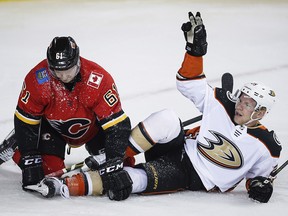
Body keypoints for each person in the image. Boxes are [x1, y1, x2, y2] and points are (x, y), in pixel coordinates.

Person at [29, 12, 282, 203]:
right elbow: (189, 84)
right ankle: (114, 158)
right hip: (180, 148)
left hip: (191, 176)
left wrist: (260, 186)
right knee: (168, 118)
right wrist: (195, 52)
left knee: (128, 181)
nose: (240, 105)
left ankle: (66, 186)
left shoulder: (267, 145)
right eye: (242, 98)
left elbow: (256, 177)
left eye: (248, 104)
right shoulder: (222, 103)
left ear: (260, 113)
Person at [5, 36, 132, 200]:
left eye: (68, 69)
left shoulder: (98, 78)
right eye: (58, 71)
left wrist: (114, 161)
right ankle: (17, 149)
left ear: (78, 61)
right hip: (52, 128)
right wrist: (29, 156)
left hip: (93, 129)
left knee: (126, 164)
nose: (64, 76)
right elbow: (25, 120)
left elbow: (117, 126)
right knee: (48, 174)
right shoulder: (37, 78)